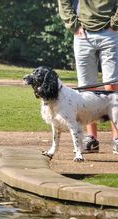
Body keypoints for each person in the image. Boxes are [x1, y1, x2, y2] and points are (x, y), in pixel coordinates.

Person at [58, 0, 118, 154]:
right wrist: (74, 25)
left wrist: (115, 24)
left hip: (111, 33)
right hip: (82, 34)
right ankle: (91, 138)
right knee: (87, 89)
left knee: (112, 87)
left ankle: (116, 139)